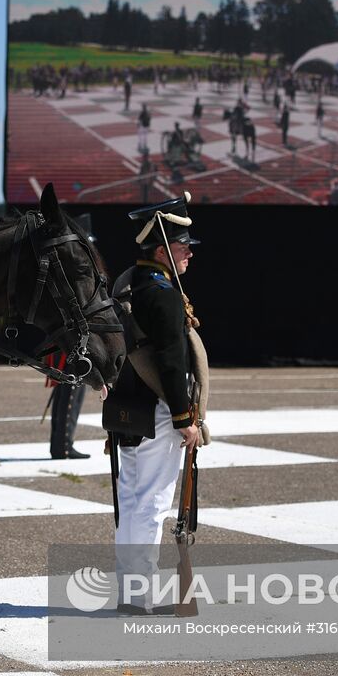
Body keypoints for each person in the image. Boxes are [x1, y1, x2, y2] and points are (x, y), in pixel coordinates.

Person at [109, 195, 205, 614]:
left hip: (129, 408)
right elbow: (170, 362)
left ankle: (131, 594)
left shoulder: (133, 285)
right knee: (151, 505)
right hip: (160, 410)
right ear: (163, 250)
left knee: (132, 503)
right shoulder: (162, 293)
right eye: (184, 246)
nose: (189, 253)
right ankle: (140, 597)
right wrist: (186, 419)